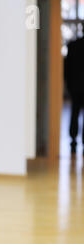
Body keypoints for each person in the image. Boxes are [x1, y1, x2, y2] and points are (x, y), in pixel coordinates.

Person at [65, 25, 84, 155]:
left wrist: (69, 86)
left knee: (74, 113)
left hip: (75, 87)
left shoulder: (73, 45)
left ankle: (73, 140)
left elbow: (66, 69)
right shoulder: (72, 45)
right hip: (77, 86)